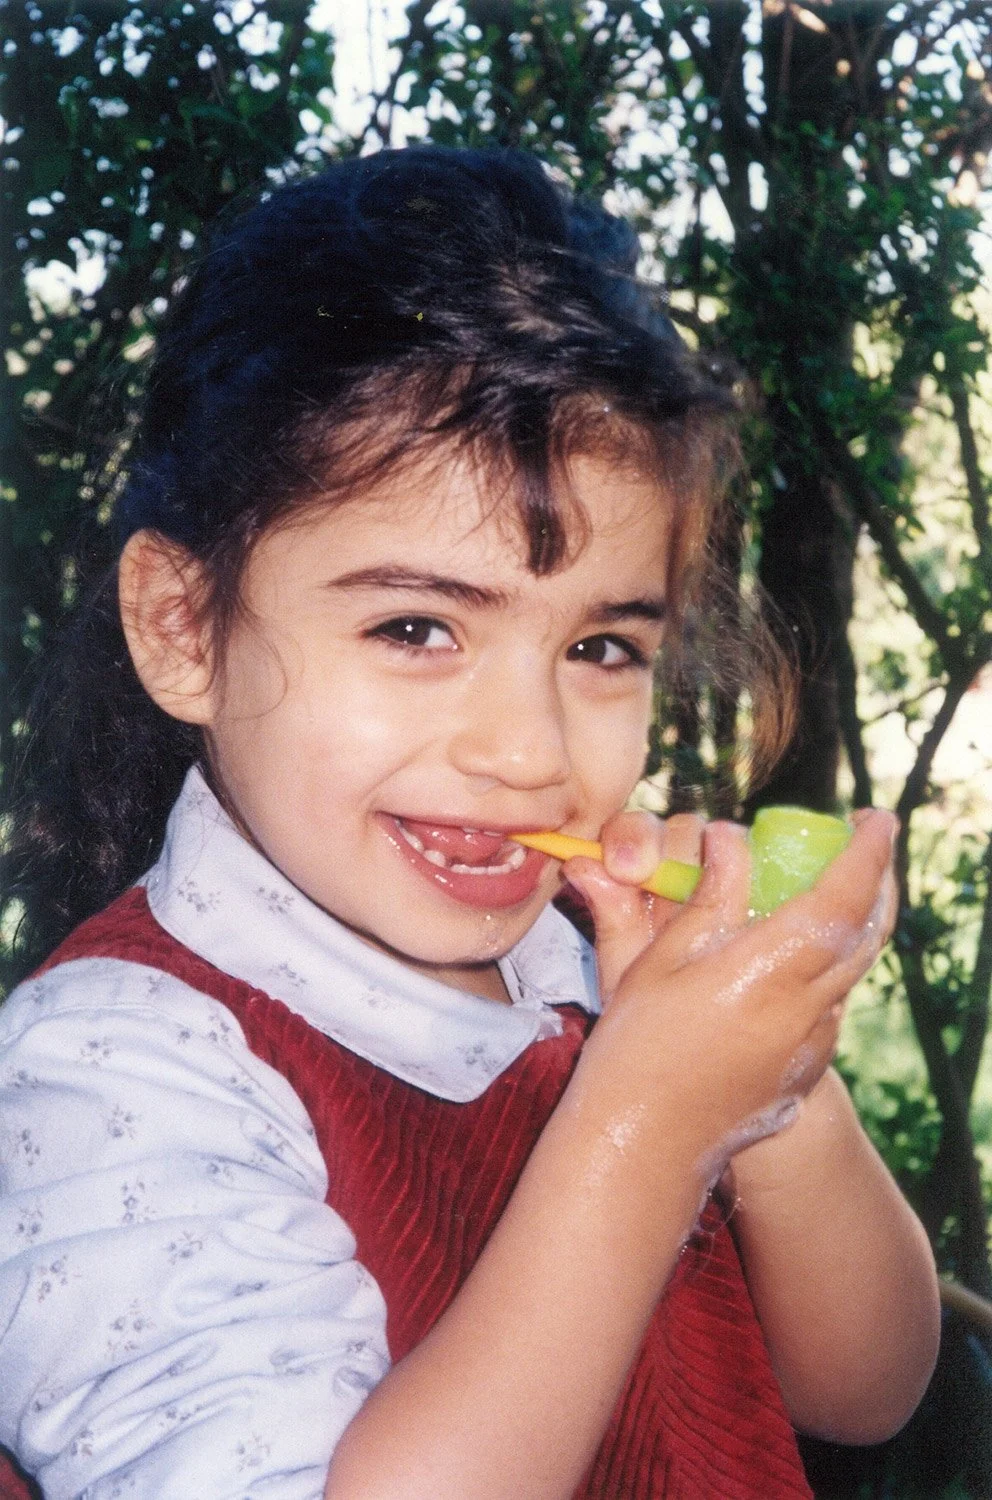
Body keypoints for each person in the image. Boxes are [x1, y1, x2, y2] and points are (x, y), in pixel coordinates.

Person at [0, 146, 939, 1500]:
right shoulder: (110, 1078)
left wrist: (768, 1067)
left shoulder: (584, 962)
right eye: (416, 628)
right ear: (183, 627)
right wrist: (645, 1127)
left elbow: (867, 1386)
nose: (529, 752)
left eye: (602, 650)